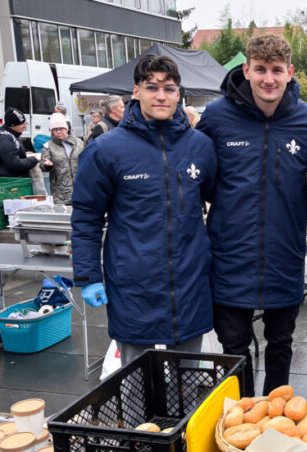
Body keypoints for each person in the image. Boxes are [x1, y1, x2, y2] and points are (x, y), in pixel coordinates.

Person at [196, 34, 307, 397]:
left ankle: (273, 417)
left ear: (289, 73)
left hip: (283, 255)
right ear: (246, 70)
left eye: (276, 70)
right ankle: (240, 417)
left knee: (281, 342)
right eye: (260, 70)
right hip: (230, 256)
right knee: (233, 347)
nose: (268, 79)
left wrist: (293, 208)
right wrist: (228, 204)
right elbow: (200, 174)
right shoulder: (217, 117)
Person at [72, 54, 217, 367]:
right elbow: (86, 216)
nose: (161, 95)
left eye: (169, 88)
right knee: (136, 382)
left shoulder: (200, 146)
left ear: (180, 94)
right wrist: (88, 275)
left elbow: (213, 200)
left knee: (189, 380)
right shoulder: (106, 149)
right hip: (133, 283)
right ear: (135, 92)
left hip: (189, 281)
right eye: (152, 87)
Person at [40, 113, 84, 204]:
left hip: (81, 189)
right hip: (60, 192)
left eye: (61, 129)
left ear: (66, 129)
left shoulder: (79, 143)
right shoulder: (48, 146)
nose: (58, 132)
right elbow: (42, 165)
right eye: (55, 129)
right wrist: (47, 166)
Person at [0, 107, 39, 178]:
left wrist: (24, 154)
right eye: (21, 124)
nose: (25, 126)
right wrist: (34, 159)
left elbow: (9, 155)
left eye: (25, 123)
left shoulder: (8, 134)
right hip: (8, 182)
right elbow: (14, 164)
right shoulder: (4, 140)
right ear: (13, 125)